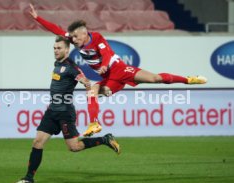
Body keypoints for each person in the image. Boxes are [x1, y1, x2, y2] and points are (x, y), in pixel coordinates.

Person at [29, 4, 207, 137]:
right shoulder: (75, 39)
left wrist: (105, 64)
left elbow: (106, 52)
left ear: (84, 33)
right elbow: (56, 30)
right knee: (93, 92)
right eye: (72, 36)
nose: (73, 40)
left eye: (75, 36)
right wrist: (37, 18)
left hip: (120, 70)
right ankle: (94, 124)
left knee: (155, 79)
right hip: (109, 77)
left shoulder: (96, 37)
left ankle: (189, 79)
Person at [13, 35, 120, 183]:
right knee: (37, 142)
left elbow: (84, 80)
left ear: (67, 50)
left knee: (74, 147)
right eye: (54, 48)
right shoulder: (57, 63)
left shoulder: (71, 67)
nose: (56, 51)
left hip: (65, 113)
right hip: (52, 111)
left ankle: (104, 139)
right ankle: (28, 178)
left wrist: (88, 86)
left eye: (59, 48)